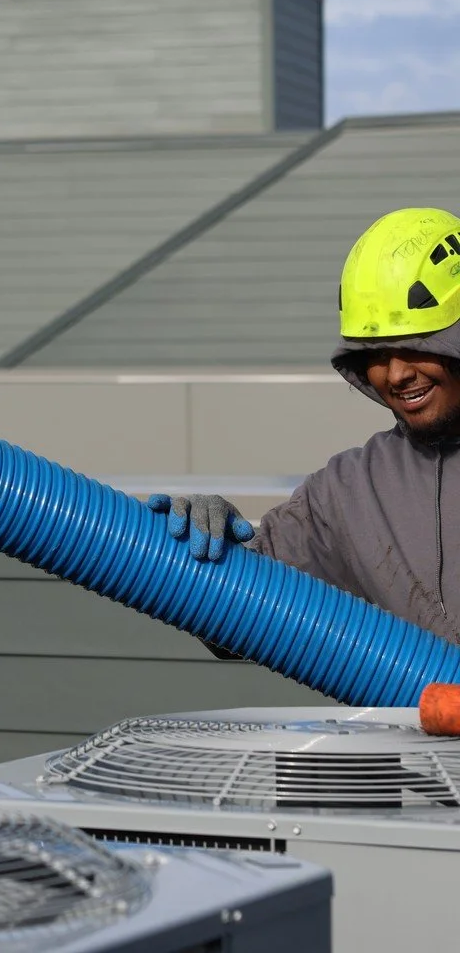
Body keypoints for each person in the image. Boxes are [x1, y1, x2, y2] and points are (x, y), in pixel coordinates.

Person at [149, 206, 460, 641]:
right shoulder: (352, 492)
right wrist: (210, 554)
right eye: (373, 354)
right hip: (415, 713)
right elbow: (241, 618)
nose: (395, 374)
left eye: (414, 344)